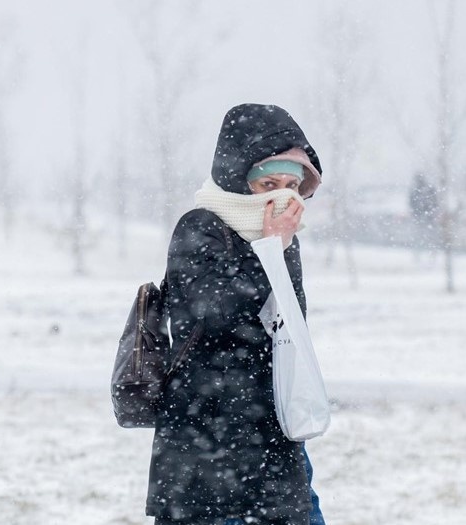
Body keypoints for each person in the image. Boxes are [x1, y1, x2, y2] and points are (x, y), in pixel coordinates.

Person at [147, 104, 326, 525]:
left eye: (290, 185)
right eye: (267, 182)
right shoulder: (200, 227)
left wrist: (276, 248)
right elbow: (213, 316)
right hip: (206, 435)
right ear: (239, 180)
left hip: (274, 433)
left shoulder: (283, 240)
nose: (280, 196)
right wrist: (270, 250)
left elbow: (288, 325)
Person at [408, 172, 440, 260]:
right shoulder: (429, 189)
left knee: (420, 238)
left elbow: (411, 204)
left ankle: (421, 256)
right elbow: (435, 203)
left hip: (422, 218)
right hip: (428, 218)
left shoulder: (416, 191)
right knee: (428, 238)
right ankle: (429, 256)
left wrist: (416, 213)